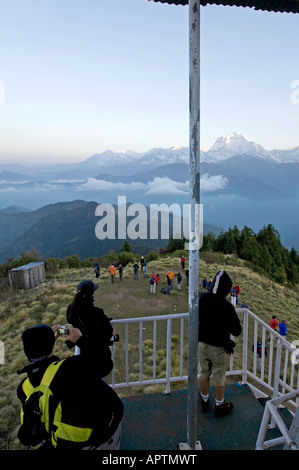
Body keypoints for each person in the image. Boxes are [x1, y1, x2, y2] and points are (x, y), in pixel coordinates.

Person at [17, 324, 124, 450]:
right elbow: (104, 363)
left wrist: (45, 345)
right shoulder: (70, 369)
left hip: (62, 444)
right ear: (51, 344)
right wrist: (80, 340)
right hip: (95, 442)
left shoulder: (23, 388)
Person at [198, 269, 242, 417]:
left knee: (204, 373)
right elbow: (237, 331)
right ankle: (219, 405)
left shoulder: (202, 299)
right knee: (219, 377)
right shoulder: (227, 307)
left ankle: (204, 400)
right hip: (219, 348)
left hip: (202, 344)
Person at [66, 280, 113, 365]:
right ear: (91, 294)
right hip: (100, 359)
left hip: (84, 353)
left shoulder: (71, 310)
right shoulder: (96, 313)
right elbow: (108, 332)